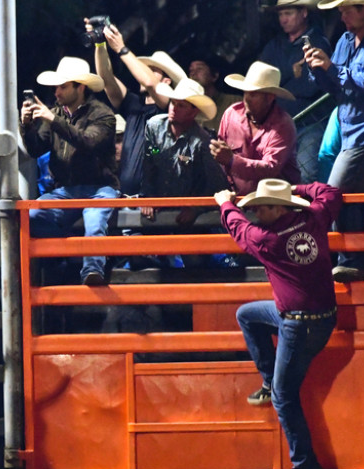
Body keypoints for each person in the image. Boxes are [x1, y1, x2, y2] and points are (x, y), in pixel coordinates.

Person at [214, 178, 342, 469]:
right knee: (247, 314)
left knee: (285, 396)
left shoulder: (267, 240)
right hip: (321, 316)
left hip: (297, 323)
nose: (256, 213)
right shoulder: (314, 218)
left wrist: (224, 203)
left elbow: (239, 230)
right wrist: (295, 189)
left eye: (261, 207)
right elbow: (330, 193)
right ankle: (269, 379)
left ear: (276, 208)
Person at [19, 56, 118, 286]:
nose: (57, 92)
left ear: (80, 87)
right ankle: (67, 256)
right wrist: (26, 125)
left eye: (63, 86)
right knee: (31, 216)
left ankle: (91, 271)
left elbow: (88, 141)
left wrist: (52, 120)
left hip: (99, 188)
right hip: (66, 189)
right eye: (57, 87)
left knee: (94, 224)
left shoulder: (102, 114)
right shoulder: (56, 114)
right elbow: (35, 149)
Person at [305, 0, 364, 282]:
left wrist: (331, 68)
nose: (342, 16)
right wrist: (318, 67)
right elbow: (335, 87)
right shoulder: (344, 40)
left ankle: (335, 259)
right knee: (350, 198)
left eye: (346, 10)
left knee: (333, 193)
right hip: (350, 131)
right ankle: (352, 260)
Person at [91, 19, 185, 195]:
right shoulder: (133, 104)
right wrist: (100, 45)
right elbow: (106, 77)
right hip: (126, 196)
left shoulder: (169, 106)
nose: (142, 71)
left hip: (155, 200)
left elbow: (149, 82)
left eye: (152, 69)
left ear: (166, 81)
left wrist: (121, 48)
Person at [259, 0, 335, 183]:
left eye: (288, 14)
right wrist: (290, 73)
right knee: (274, 175)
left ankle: (309, 211)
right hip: (277, 124)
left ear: (303, 13)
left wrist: (278, 87)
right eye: (280, 15)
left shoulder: (318, 43)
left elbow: (310, 88)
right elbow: (260, 80)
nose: (283, 19)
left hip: (310, 123)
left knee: (306, 173)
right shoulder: (274, 45)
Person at [140, 79, 227, 225]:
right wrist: (148, 197)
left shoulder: (202, 142)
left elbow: (216, 184)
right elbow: (149, 163)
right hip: (158, 205)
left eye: (181, 105)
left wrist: (195, 208)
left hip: (184, 213)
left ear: (194, 111)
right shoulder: (154, 127)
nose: (174, 108)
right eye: (173, 103)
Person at [210, 61, 301, 196]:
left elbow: (270, 168)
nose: (246, 98)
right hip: (238, 199)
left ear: (269, 98)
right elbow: (221, 161)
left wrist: (231, 160)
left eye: (253, 94)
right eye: (245, 92)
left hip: (277, 204)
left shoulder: (283, 124)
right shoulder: (231, 114)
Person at [187, 57, 240, 133]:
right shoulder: (188, 108)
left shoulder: (234, 102)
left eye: (199, 69)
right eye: (191, 70)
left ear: (214, 76)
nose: (193, 74)